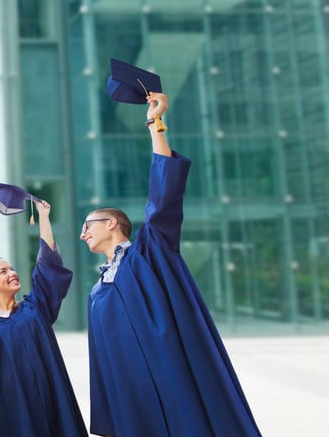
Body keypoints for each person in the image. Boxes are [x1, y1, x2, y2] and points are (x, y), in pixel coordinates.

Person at [83, 92, 262, 437]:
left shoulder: (149, 254)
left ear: (111, 223)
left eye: (87, 225)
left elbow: (163, 198)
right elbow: (101, 363)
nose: (82, 234)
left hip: (172, 382)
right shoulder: (96, 292)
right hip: (133, 400)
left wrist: (155, 125)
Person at [0, 199, 88, 437]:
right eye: (3, 271)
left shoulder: (35, 308)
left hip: (52, 401)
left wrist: (44, 218)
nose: (13, 273)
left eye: (12, 269)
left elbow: (47, 267)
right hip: (14, 416)